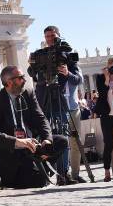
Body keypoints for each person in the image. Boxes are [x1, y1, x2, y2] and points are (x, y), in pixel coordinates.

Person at [0, 66, 68, 188]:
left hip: (31, 146)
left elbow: (41, 118)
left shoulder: (28, 93)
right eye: (20, 78)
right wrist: (18, 142)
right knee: (36, 181)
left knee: (61, 141)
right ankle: (31, 174)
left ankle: (40, 167)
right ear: (9, 82)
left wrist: (47, 140)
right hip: (12, 151)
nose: (24, 80)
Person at [28, 25, 83, 185]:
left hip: (60, 99)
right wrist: (33, 67)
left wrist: (67, 73)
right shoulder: (41, 55)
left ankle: (63, 174)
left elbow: (78, 80)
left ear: (59, 35)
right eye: (47, 37)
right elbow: (32, 74)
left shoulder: (67, 54)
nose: (50, 39)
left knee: (63, 136)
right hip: (44, 98)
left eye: (52, 36)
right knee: (44, 135)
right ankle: (42, 172)